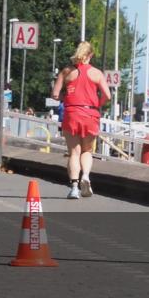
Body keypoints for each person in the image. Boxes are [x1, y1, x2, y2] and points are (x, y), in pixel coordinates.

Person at [52, 41, 111, 199]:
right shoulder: (97, 73)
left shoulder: (66, 72)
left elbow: (55, 94)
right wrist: (97, 104)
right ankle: (85, 176)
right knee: (87, 151)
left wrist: (67, 97)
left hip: (71, 113)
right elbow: (108, 96)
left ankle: (74, 187)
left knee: (73, 153)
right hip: (90, 113)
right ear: (90, 55)